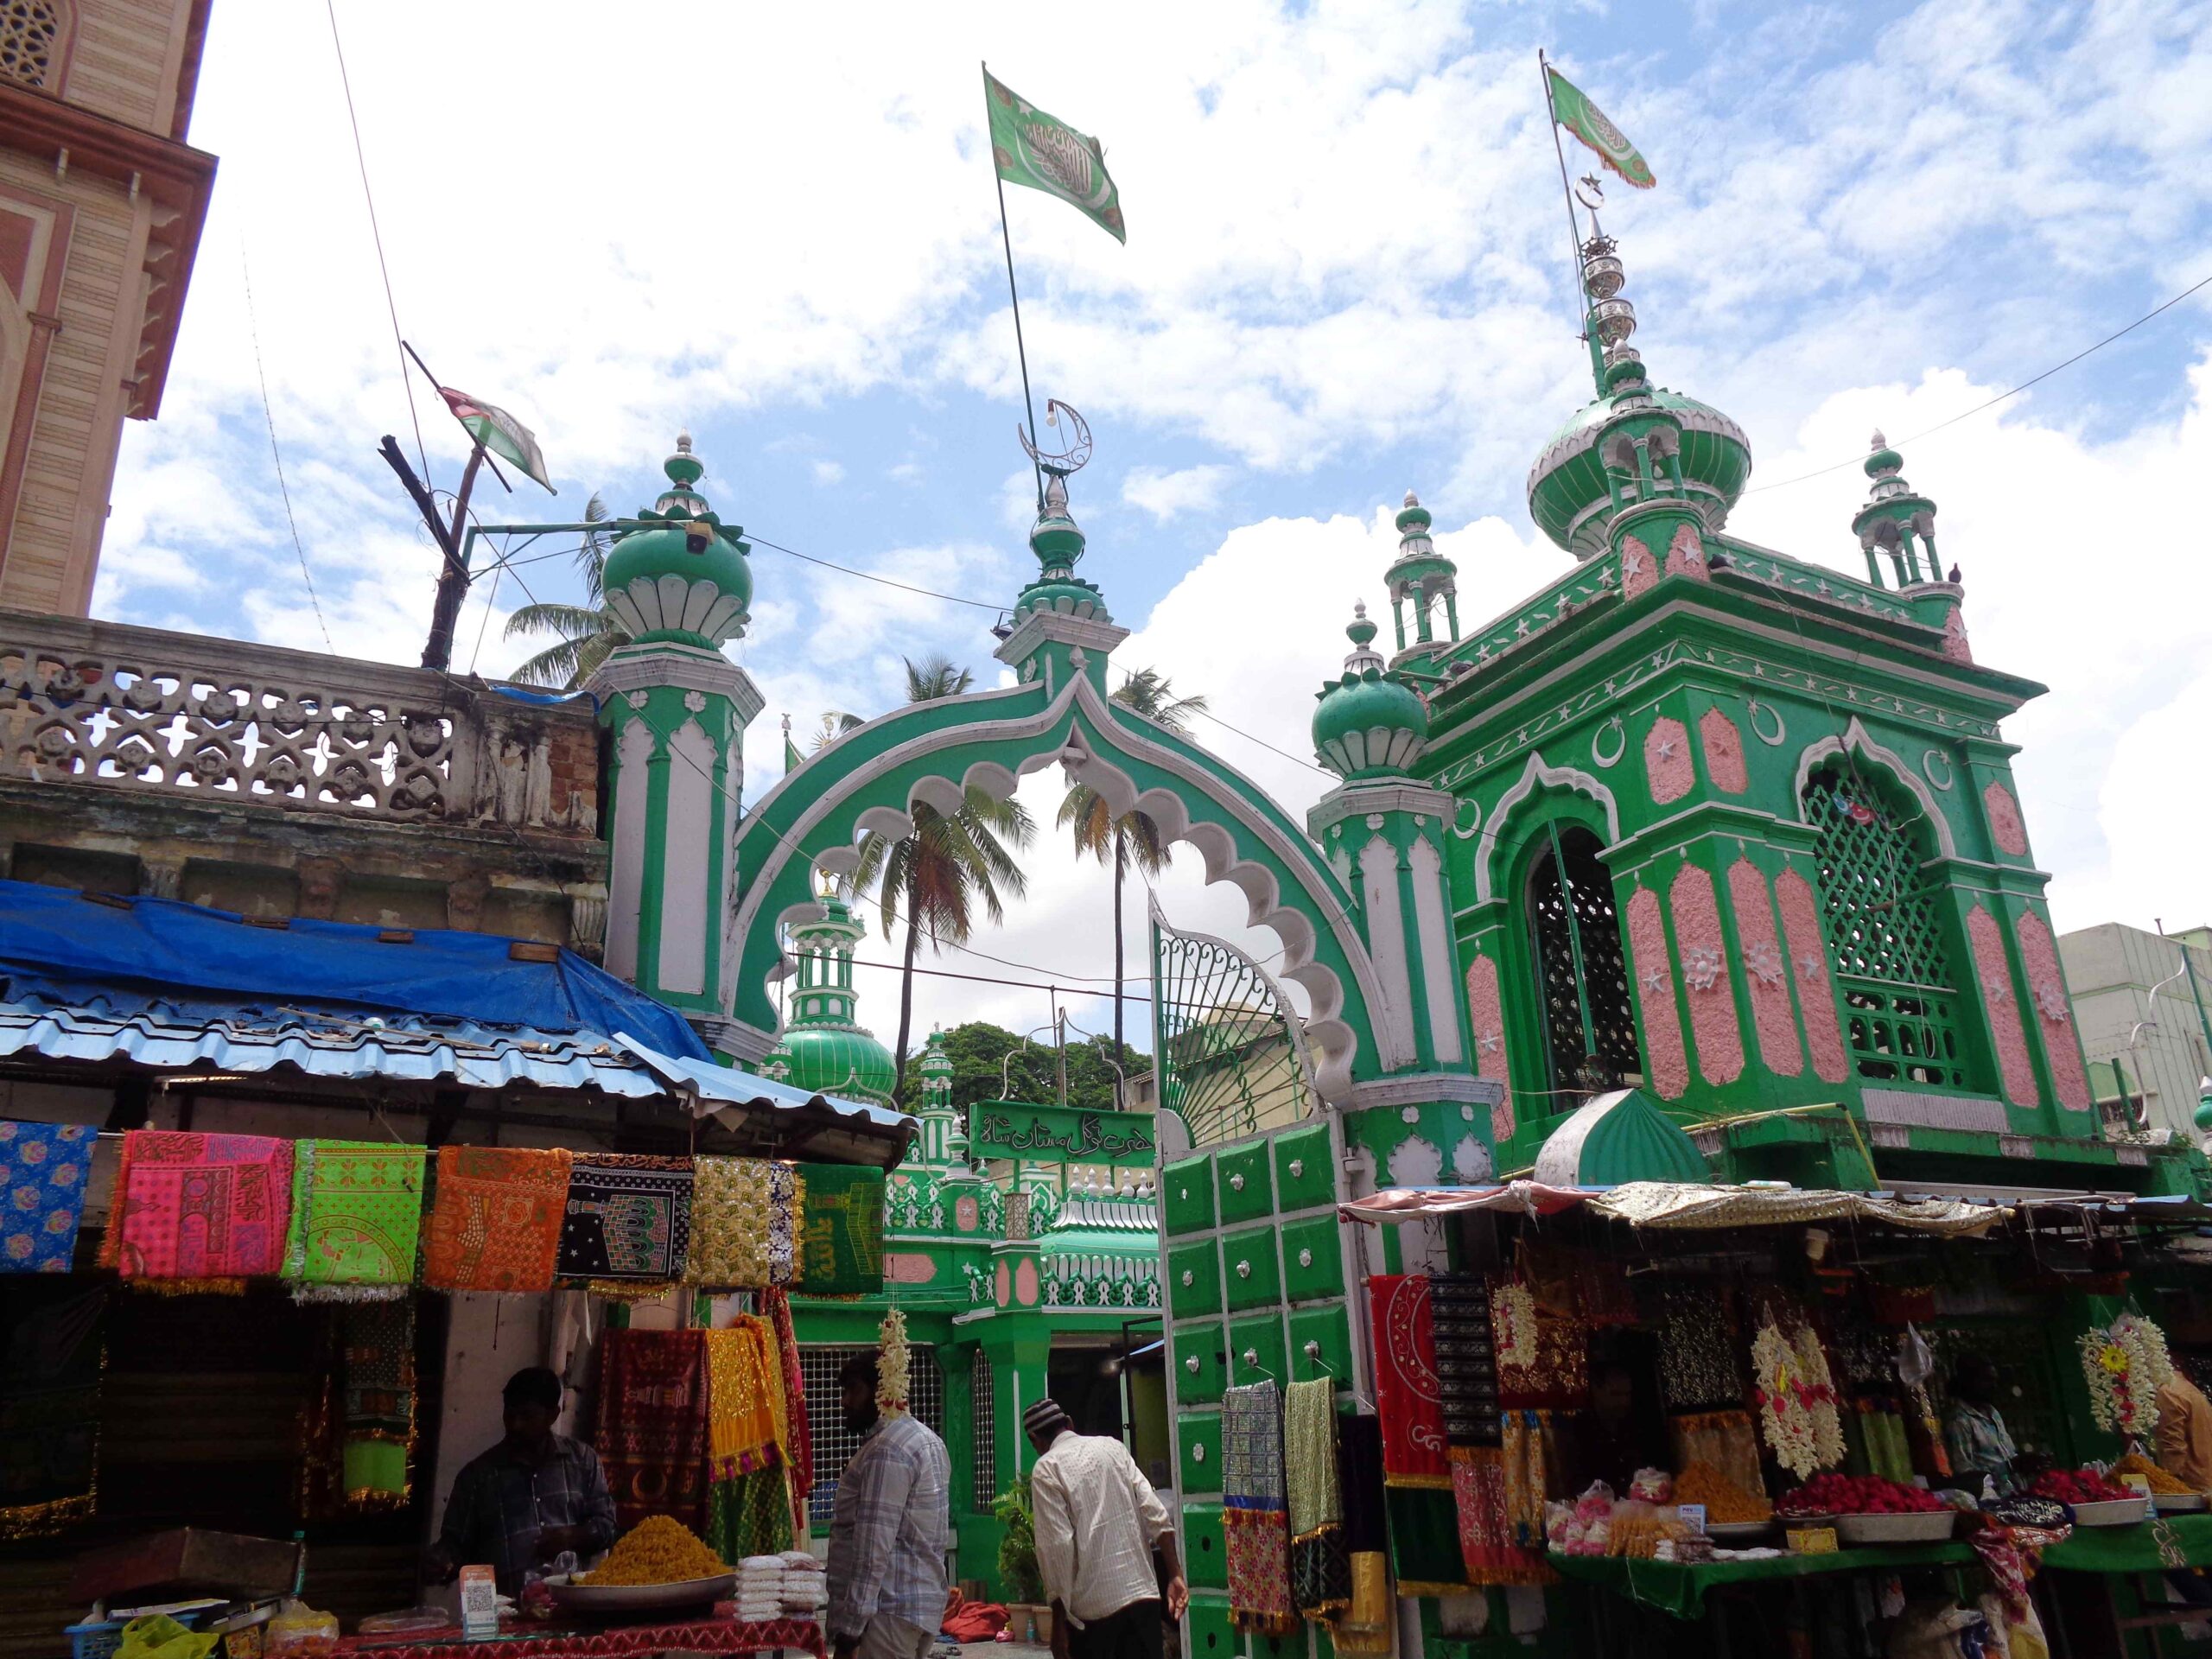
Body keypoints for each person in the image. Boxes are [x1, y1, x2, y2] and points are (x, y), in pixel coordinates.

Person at [424, 1366, 617, 1593]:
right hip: (503, 1608)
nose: (515, 1425)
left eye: (527, 1416)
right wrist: (440, 1564)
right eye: (510, 1415)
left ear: (553, 1415)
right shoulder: (477, 1477)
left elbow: (608, 1527)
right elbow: (455, 1547)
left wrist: (573, 1536)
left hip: (570, 1604)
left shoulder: (582, 1460)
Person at [1024, 1398, 1188, 1659]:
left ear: (1035, 1439)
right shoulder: (1113, 1447)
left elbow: (1057, 1548)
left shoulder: (1047, 1468)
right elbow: (1155, 1512)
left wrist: (1058, 1624)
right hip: (1142, 1598)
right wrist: (1175, 1574)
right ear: (1069, 1423)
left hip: (1094, 1616)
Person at [826, 1352, 950, 1659]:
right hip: (918, 1608)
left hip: (886, 1613)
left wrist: (850, 1631)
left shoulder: (887, 1450)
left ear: (880, 1391)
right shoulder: (928, 1440)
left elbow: (872, 1549)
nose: (845, 1401)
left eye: (854, 1390)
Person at [1562, 1361, 1662, 1492]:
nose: (1624, 1401)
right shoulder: (1580, 1430)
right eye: (1616, 1394)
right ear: (1596, 1391)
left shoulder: (1635, 1426)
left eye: (1627, 1394)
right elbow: (1577, 1484)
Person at [1944, 1352, 2029, 1497]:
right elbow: (1964, 1473)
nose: (1994, 1386)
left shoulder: (1993, 1413)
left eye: (1994, 1381)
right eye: (1987, 1380)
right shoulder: (1960, 1421)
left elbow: (2006, 1454)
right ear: (1968, 1382)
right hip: (1990, 1499)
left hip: (2015, 1493)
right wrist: (2009, 1467)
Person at [2158, 1358, 2212, 1491]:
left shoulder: (2168, 1393)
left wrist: (2166, 1486)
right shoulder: (2190, 1389)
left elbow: (2173, 1449)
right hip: (2204, 1481)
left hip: (2189, 1488)